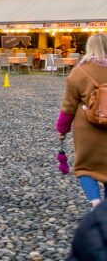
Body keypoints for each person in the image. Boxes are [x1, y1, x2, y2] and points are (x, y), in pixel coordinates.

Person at [57, 33, 107, 208]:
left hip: (87, 127)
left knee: (85, 167)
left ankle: (95, 202)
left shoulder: (79, 72)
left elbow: (68, 105)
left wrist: (62, 129)